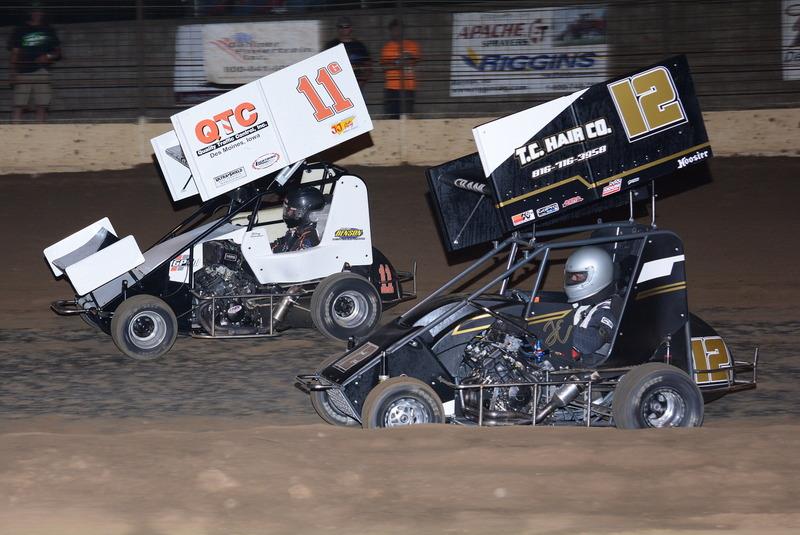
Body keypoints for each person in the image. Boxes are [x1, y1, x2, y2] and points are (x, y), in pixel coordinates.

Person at [563, 246, 622, 366]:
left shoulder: (606, 310)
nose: (573, 279)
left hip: (590, 366)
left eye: (578, 276)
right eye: (571, 276)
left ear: (599, 276)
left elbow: (589, 343)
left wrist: (559, 328)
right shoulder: (583, 303)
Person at [7, 5, 62, 122]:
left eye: (39, 11)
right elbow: (15, 52)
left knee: (42, 105)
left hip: (42, 71)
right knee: (18, 105)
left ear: (43, 13)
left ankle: (41, 130)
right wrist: (12, 73)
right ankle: (15, 129)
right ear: (29, 12)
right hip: (23, 71)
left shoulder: (48, 30)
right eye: (34, 11)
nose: (37, 13)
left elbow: (57, 52)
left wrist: (47, 56)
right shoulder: (20, 29)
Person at [379, 19, 420, 119]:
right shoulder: (386, 48)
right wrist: (397, 63)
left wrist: (402, 61)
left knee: (407, 117)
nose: (397, 32)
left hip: (408, 87)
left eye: (399, 29)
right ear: (390, 31)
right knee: (392, 117)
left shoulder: (412, 45)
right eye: (394, 30)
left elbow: (414, 60)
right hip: (391, 88)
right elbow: (384, 67)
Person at [271, 186, 324, 253]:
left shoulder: (309, 237)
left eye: (292, 210)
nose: (288, 213)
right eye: (287, 209)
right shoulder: (297, 231)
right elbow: (283, 243)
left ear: (303, 213)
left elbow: (291, 255)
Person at [325, 16, 372, 88]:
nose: (344, 29)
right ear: (337, 29)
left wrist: (361, 83)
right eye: (341, 27)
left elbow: (369, 66)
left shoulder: (359, 46)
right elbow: (323, 65)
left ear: (351, 28)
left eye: (346, 26)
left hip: (356, 84)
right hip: (337, 85)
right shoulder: (331, 45)